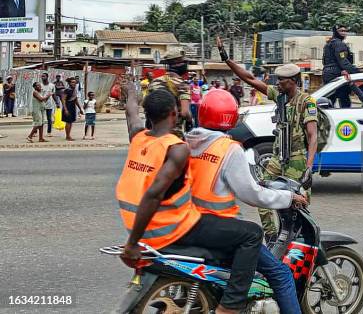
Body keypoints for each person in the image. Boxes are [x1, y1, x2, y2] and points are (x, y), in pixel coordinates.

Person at [117, 83, 262, 314]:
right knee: (252, 234)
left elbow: (131, 113)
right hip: (175, 228)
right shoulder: (176, 148)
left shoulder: (138, 137)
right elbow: (153, 195)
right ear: (174, 113)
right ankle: (230, 306)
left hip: (140, 227)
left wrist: (131, 92)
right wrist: (131, 246)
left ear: (149, 115)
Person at [186, 89, 308, 313]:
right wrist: (288, 197)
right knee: (280, 273)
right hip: (221, 229)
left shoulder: (188, 142)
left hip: (188, 224)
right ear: (231, 117)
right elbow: (252, 194)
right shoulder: (228, 149)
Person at [217, 36, 318, 242]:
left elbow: (312, 135)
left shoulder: (307, 102)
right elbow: (250, 79)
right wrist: (227, 59)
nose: (277, 82)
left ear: (293, 81)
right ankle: (273, 238)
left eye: (282, 80)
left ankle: (300, 239)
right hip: (277, 158)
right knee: (261, 195)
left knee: (296, 203)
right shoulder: (278, 96)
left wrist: (309, 166)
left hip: (296, 160)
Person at [147, 52, 192, 137]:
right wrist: (190, 120)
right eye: (183, 62)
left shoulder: (154, 82)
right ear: (178, 64)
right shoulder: (182, 85)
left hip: (153, 133)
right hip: (173, 134)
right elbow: (185, 112)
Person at [322, 24, 360, 108]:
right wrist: (357, 71)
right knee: (344, 99)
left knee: (329, 100)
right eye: (341, 31)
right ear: (336, 32)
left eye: (345, 31)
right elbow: (343, 61)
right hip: (337, 74)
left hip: (327, 73)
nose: (344, 33)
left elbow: (324, 61)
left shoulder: (328, 44)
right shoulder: (339, 44)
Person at [40, 73, 56, 137]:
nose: (42, 77)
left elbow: (54, 95)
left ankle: (49, 132)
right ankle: (36, 131)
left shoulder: (52, 85)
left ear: (47, 77)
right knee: (40, 119)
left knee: (49, 119)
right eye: (42, 76)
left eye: (43, 76)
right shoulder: (40, 85)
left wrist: (57, 103)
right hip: (41, 104)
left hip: (49, 104)